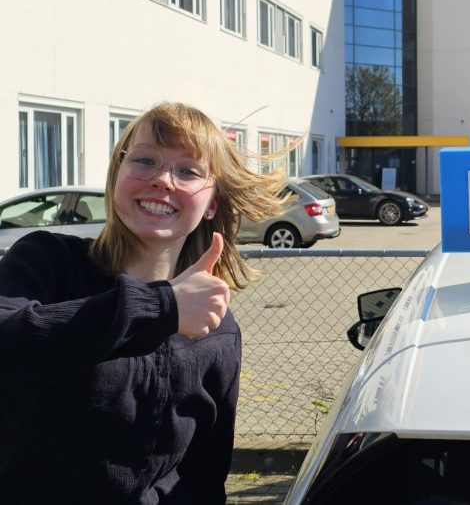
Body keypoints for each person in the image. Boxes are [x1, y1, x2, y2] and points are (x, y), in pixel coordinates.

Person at [0, 102, 288, 503]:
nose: (162, 180)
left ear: (212, 204)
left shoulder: (218, 329)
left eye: (188, 171)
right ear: (117, 173)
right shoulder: (48, 261)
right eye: (145, 160)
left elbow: (204, 475)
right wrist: (161, 308)